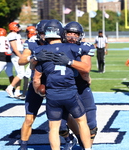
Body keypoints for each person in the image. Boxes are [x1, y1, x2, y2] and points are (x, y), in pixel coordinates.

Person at [33, 19, 91, 150]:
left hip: (52, 95)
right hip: (70, 93)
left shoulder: (40, 51)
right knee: (82, 122)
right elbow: (85, 67)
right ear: (61, 32)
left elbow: (36, 78)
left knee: (53, 128)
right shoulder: (73, 48)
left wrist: (38, 91)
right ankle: (87, 149)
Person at [59, 21, 97, 150]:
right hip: (62, 88)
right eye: (69, 33)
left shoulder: (85, 47)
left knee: (91, 124)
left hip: (80, 86)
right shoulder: (56, 46)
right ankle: (71, 139)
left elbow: (86, 69)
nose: (71, 36)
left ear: (80, 35)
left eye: (75, 34)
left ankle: (85, 146)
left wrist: (69, 62)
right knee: (60, 126)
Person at [18, 20, 50, 150]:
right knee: (29, 118)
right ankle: (23, 145)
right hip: (36, 83)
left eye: (46, 33)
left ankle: (68, 138)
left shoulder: (58, 42)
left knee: (63, 118)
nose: (44, 36)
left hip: (55, 83)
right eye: (41, 33)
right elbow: (21, 61)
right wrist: (33, 56)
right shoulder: (32, 42)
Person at [5, 22, 24, 98]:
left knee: (19, 74)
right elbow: (15, 48)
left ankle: (17, 91)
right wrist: (21, 56)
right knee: (21, 74)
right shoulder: (12, 35)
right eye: (17, 26)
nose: (19, 28)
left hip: (18, 54)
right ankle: (10, 88)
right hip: (16, 55)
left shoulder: (16, 34)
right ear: (14, 27)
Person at [17, 26, 37, 100]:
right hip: (32, 60)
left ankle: (25, 93)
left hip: (35, 61)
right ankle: (25, 93)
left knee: (27, 75)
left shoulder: (31, 41)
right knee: (27, 75)